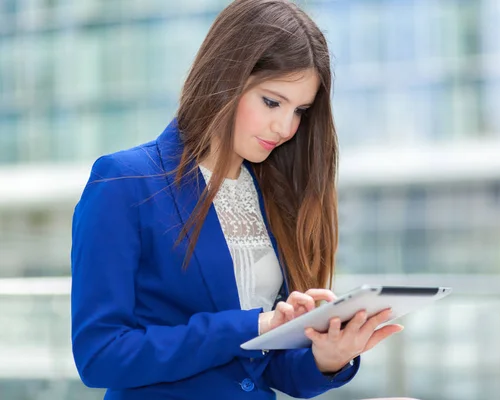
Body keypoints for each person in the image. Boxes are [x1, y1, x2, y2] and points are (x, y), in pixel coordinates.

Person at [70, 0, 403, 398]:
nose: (285, 127)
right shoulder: (125, 182)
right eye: (271, 102)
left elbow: (266, 370)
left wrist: (327, 356)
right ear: (225, 78)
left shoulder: (274, 192)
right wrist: (254, 326)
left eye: (300, 110)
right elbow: (100, 355)